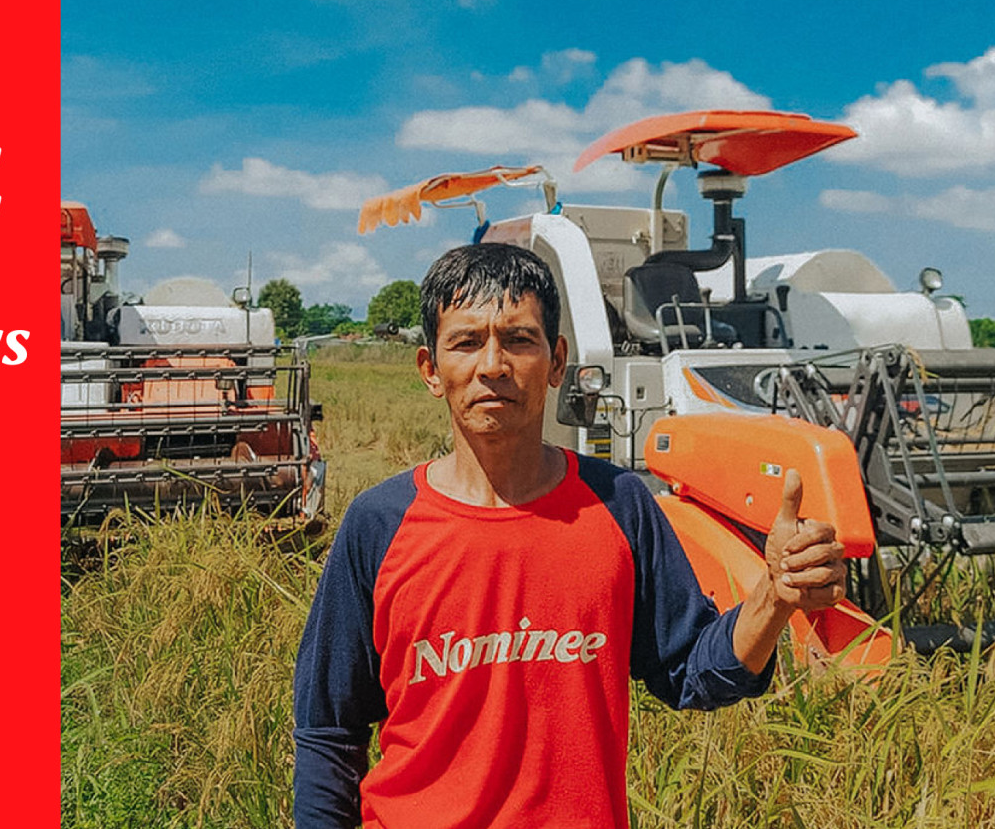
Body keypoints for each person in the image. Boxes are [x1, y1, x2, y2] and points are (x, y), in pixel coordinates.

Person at [293, 243, 846, 828]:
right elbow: (330, 731)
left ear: (557, 362)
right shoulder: (378, 524)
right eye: (466, 341)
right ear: (431, 369)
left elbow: (694, 671)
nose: (493, 365)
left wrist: (775, 595)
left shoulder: (617, 506)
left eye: (519, 340)